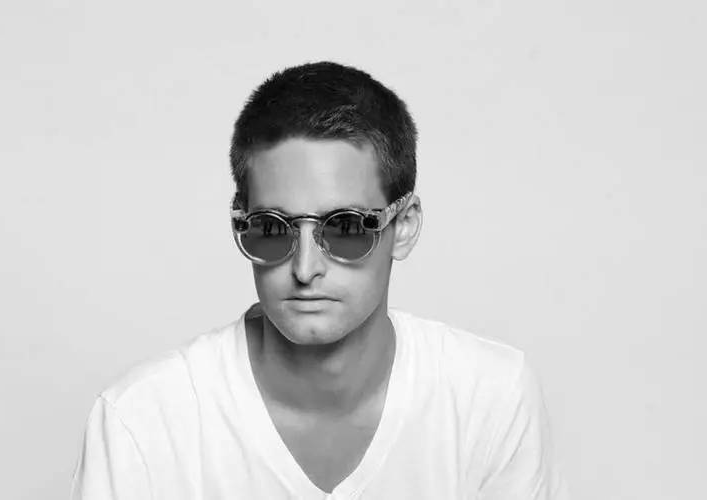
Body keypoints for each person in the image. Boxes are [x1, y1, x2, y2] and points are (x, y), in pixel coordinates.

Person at [70, 61, 570, 499]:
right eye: (271, 230)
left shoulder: (490, 398)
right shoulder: (145, 420)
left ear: (404, 226)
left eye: (346, 228)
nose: (305, 268)